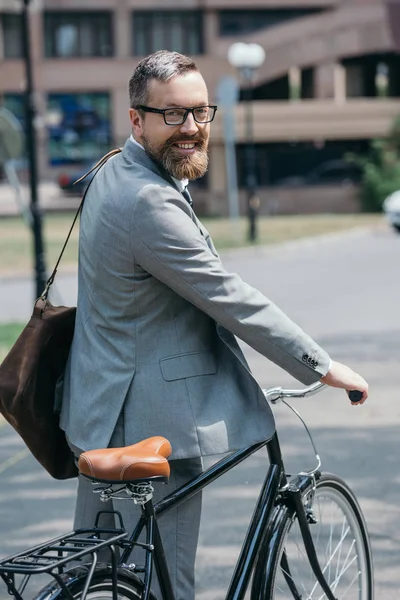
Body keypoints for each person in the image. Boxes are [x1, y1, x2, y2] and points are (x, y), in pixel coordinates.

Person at [60, 50, 368, 600]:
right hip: (153, 425)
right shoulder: (146, 201)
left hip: (97, 414)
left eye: (201, 113)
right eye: (173, 115)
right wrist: (321, 367)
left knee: (99, 578)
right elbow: (229, 297)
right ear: (137, 119)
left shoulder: (113, 171)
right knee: (167, 586)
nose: (193, 128)